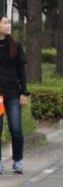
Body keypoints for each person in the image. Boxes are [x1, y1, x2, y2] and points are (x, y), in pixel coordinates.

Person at [0, 16, 30, 175]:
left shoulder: (15, 46)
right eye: (4, 22)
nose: (8, 25)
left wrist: (24, 92)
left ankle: (17, 160)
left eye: (9, 22)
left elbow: (21, 71)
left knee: (16, 128)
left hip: (12, 93)